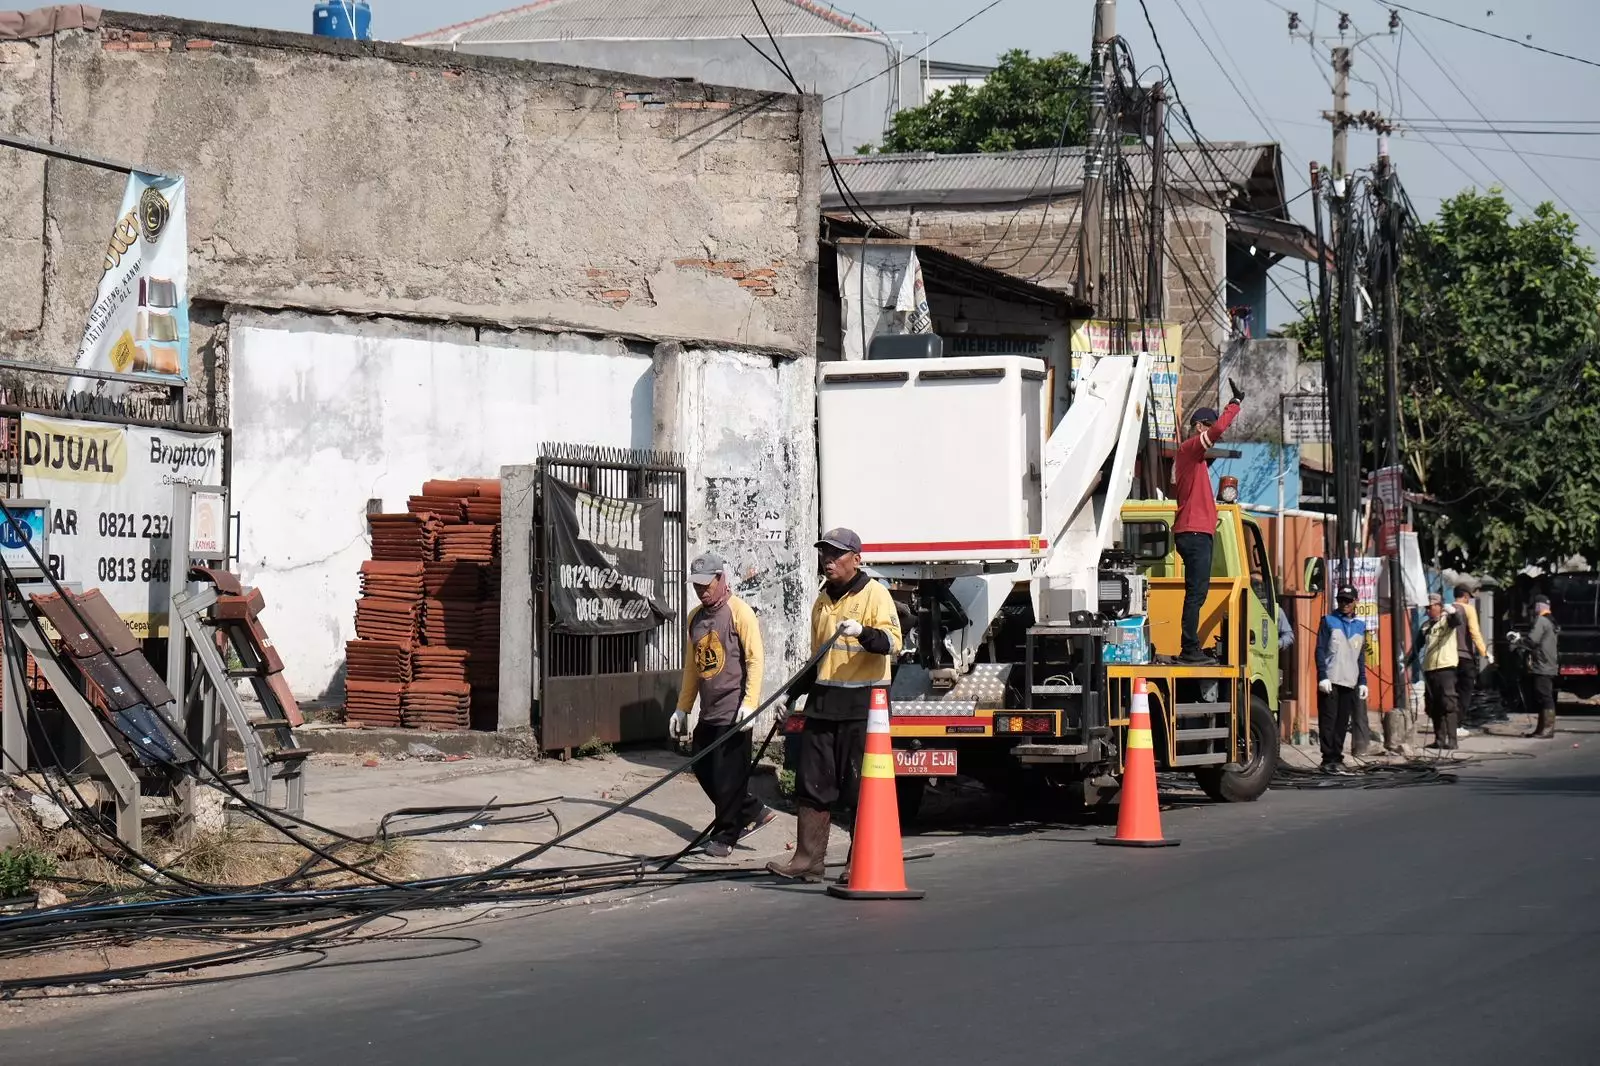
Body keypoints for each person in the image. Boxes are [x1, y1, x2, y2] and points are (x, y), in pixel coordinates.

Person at [767, 527, 902, 883]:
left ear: (856, 559)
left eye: (836, 554)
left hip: (864, 708)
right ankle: (808, 860)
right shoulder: (822, 601)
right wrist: (791, 694)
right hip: (824, 703)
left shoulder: (875, 595)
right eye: (825, 554)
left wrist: (864, 633)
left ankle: (860, 862)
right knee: (812, 783)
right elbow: (818, 659)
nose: (828, 560)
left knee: (863, 787)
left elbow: (893, 643)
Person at [671, 553, 776, 858]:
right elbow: (693, 667)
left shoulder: (739, 612)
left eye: (706, 584)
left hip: (735, 709)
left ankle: (726, 835)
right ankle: (753, 810)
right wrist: (683, 707)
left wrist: (750, 704)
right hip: (709, 710)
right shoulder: (695, 618)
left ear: (721, 579)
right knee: (703, 768)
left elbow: (755, 660)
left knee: (727, 775)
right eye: (697, 586)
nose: (701, 590)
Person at [1173, 380, 1243, 663]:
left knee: (1196, 593)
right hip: (1194, 532)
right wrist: (1234, 406)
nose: (1215, 439)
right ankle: (1189, 649)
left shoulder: (1194, 460)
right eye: (1210, 428)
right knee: (1196, 594)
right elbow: (1217, 430)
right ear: (1200, 427)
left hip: (1194, 532)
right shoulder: (1190, 449)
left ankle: (1190, 647)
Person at [1315, 584, 1368, 774]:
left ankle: (1337, 757)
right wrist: (1322, 676)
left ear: (1355, 602)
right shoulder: (1328, 621)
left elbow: (1360, 657)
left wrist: (1363, 681)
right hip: (1331, 679)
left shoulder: (1360, 627)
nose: (1344, 603)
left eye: (1348, 600)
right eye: (1341, 600)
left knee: (1342, 722)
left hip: (1350, 681)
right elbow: (1320, 650)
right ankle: (1327, 759)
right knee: (1328, 721)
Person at [1413, 592, 1461, 750]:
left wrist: (1453, 612)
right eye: (1426, 608)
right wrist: (1405, 662)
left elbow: (1457, 621)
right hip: (1429, 669)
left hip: (1445, 668)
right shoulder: (1426, 626)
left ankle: (1452, 740)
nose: (1428, 610)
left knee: (1448, 704)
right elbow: (1416, 646)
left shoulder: (1447, 621)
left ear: (1439, 607)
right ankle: (1439, 739)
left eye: (1431, 607)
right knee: (1433, 706)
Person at [1522, 595, 1559, 738]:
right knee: (1543, 696)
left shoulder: (1541, 620)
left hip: (1542, 664)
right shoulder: (1551, 620)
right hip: (1549, 663)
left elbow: (1532, 641)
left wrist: (1518, 639)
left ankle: (1547, 730)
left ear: (1539, 606)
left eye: (1534, 606)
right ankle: (1541, 729)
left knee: (1544, 696)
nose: (1533, 610)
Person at [1452, 585, 1488, 724]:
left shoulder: (1446, 609)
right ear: (1465, 596)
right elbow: (1475, 633)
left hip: (1447, 658)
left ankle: (1447, 723)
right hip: (1464, 656)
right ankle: (1458, 723)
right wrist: (1484, 652)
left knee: (1450, 692)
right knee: (1464, 692)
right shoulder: (1468, 609)